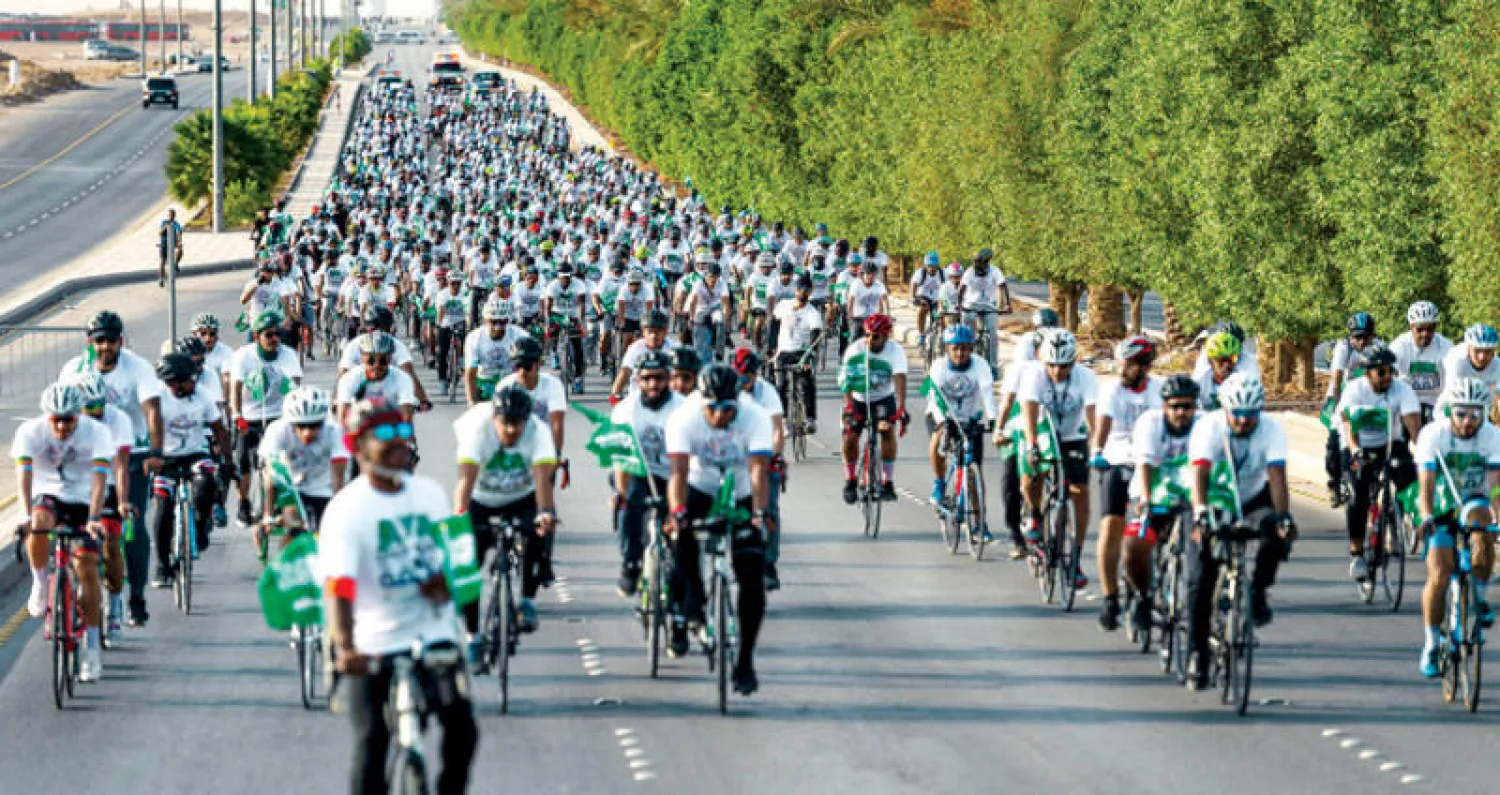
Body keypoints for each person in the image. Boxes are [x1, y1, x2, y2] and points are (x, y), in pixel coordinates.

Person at [320, 397, 478, 795]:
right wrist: (345, 648)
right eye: (385, 434)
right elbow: (339, 587)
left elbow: (450, 560)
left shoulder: (429, 494)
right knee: (372, 741)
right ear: (359, 447)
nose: (399, 442)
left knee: (463, 729)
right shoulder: (346, 510)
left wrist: (445, 583)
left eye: (403, 431)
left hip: (432, 634)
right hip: (371, 643)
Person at [664, 364, 774, 694]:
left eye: (728, 409)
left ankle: (745, 661)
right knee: (680, 533)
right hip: (700, 486)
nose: (720, 416)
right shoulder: (684, 417)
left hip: (739, 489)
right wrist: (679, 512)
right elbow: (678, 476)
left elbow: (758, 474)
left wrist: (758, 513)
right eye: (712, 408)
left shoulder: (755, 417)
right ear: (702, 402)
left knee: (752, 576)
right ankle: (694, 603)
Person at [1185, 373, 1297, 689]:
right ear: (1225, 410)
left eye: (1251, 416)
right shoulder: (1208, 427)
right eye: (1238, 415)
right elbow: (1200, 474)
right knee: (1200, 581)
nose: (1244, 422)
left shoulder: (1271, 429)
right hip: (1216, 495)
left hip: (1252, 496)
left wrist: (1283, 517)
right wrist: (1200, 513)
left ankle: (1258, 591)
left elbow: (1276, 476)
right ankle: (1198, 655)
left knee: (1275, 532)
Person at [61, 311, 164, 628]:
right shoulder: (74, 370)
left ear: (121, 341)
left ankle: (135, 598)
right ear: (89, 343)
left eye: (112, 341)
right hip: (87, 457)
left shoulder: (138, 368)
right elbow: (60, 414)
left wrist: (156, 452)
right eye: (99, 341)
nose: (105, 347)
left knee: (131, 526)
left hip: (131, 453)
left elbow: (152, 410)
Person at [14, 383, 113, 681]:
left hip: (85, 500)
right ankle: (40, 582)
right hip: (50, 495)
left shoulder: (97, 433)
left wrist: (95, 517)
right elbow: (24, 476)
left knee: (87, 570)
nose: (61, 425)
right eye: (55, 418)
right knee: (39, 519)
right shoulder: (30, 433)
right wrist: (24, 517)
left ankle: (93, 649)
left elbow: (98, 482)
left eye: (68, 419)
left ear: (79, 415)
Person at [453, 385, 560, 645]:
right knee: (467, 564)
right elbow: (465, 482)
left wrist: (545, 513)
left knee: (540, 531)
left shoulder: (539, 432)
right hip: (482, 498)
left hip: (522, 495)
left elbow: (542, 480)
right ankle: (472, 635)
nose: (511, 430)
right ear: (494, 419)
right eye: (505, 423)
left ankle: (527, 599)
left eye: (518, 423)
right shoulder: (477, 431)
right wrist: (459, 519)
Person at [1414, 378, 1500, 677]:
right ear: (1449, 411)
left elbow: (1495, 486)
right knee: (1439, 574)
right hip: (1440, 503)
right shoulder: (1433, 435)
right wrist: (1425, 514)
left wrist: (1497, 514)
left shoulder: (1491, 436)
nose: (1467, 422)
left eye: (1475, 414)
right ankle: (1431, 643)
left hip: (1474, 499)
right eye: (1461, 413)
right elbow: (1425, 483)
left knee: (1483, 526)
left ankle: (1480, 594)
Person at [1017, 329, 1097, 592]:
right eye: (1052, 365)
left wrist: (1097, 448)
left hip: (1073, 436)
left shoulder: (1086, 378)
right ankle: (1034, 515)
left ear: (1073, 362)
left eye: (1063, 366)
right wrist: (1031, 445)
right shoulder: (1034, 376)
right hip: (1042, 431)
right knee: (1031, 475)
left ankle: (1075, 557)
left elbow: (1092, 415)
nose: (1057, 372)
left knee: (1081, 492)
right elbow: (1029, 410)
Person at [1122, 376, 1202, 635]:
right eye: (1175, 406)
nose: (1181, 412)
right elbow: (1145, 466)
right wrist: (1146, 500)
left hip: (1189, 493)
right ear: (1165, 405)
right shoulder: (1150, 423)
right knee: (1135, 545)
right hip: (1153, 488)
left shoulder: (1205, 425)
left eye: (1187, 406)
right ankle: (1142, 596)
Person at [1091, 336, 1161, 631]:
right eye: (1123, 362)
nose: (1124, 369)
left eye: (1130, 363)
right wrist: (1097, 451)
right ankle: (1110, 596)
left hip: (1152, 462)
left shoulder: (1158, 391)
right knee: (1111, 527)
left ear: (1144, 366)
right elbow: (1103, 426)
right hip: (1119, 460)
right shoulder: (1112, 391)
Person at [1335, 342, 1421, 582]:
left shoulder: (1401, 389)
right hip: (1358, 443)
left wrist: (1422, 448)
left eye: (1390, 370)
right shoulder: (1355, 390)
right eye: (1380, 372)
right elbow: (1348, 424)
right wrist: (1355, 451)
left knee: (1409, 477)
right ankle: (1357, 553)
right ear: (1368, 373)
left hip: (1389, 444)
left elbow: (1413, 423)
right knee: (1357, 496)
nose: (1387, 376)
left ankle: (1403, 524)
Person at [145, 354, 228, 588]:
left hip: (195, 454)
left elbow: (219, 429)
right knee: (163, 506)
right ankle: (162, 566)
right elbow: (146, 430)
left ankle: (201, 525)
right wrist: (151, 457)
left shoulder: (203, 396)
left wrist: (229, 462)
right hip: (165, 459)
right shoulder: (157, 399)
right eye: (172, 383)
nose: (185, 385)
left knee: (206, 482)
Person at [65, 370, 132, 643]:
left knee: (111, 545)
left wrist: (124, 501)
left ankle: (115, 605)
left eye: (99, 406)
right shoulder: (67, 421)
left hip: (109, 486)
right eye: (87, 408)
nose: (94, 413)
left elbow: (121, 466)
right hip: (78, 486)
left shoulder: (117, 420)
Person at [611, 352, 682, 596]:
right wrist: (622, 496)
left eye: (659, 378)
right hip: (637, 471)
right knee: (629, 506)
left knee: (685, 526)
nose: (653, 384)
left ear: (668, 378)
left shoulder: (682, 409)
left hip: (675, 475)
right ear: (638, 381)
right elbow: (621, 461)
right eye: (647, 378)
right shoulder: (625, 411)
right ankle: (630, 564)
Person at [228, 311, 304, 527]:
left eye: (278, 334)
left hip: (278, 416)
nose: (275, 340)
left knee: (287, 459)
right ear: (256, 336)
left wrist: (292, 399)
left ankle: (285, 497)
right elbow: (235, 387)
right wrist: (237, 415)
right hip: (250, 417)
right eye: (269, 335)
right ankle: (243, 502)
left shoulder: (287, 354)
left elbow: (295, 383)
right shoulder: (243, 356)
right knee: (242, 459)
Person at [993, 308, 1058, 558]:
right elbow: (1009, 399)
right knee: (1011, 472)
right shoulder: (1023, 358)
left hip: (1047, 418)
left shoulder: (1060, 356)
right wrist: (999, 429)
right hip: (1019, 414)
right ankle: (1015, 534)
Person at [925, 324, 996, 530]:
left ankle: (980, 523)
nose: (960, 353)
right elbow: (933, 396)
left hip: (970, 418)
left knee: (974, 472)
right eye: (955, 348)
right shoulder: (938, 367)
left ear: (972, 348)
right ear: (947, 349)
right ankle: (939, 484)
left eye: (965, 348)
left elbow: (987, 393)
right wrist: (942, 421)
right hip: (941, 414)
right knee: (938, 437)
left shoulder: (980, 365)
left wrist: (993, 419)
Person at [257, 386, 348, 542]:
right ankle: (286, 563)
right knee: (294, 525)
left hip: (322, 485)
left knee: (328, 533)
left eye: (314, 425)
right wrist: (268, 515)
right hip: (288, 484)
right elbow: (271, 476)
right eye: (301, 426)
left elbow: (338, 477)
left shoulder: (335, 431)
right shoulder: (278, 430)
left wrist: (338, 510)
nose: (308, 432)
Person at [730, 348, 787, 590]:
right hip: (732, 452)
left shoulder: (767, 392)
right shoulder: (726, 388)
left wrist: (774, 457)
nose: (743, 383)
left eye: (747, 378)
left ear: (755, 375)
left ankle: (769, 564)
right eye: (738, 377)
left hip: (761, 451)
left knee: (769, 508)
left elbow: (777, 429)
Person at [839, 314, 909, 504]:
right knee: (850, 437)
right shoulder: (855, 350)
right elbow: (846, 381)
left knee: (887, 431)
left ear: (886, 336)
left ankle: (888, 482)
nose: (870, 340)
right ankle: (851, 480)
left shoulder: (895, 351)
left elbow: (900, 377)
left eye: (876, 336)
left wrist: (902, 407)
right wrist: (848, 406)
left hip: (883, 399)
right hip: (858, 398)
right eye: (868, 335)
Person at [1325, 312, 1383, 505]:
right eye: (1357, 337)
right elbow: (1336, 379)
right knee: (1334, 443)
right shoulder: (1344, 349)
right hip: (1344, 397)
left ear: (1373, 336)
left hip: (1370, 399)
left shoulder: (1379, 348)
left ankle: (1374, 479)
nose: (1361, 341)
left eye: (1366, 337)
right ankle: (1334, 483)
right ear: (1350, 336)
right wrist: (1337, 407)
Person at [496, 337, 569, 470]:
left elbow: (557, 423)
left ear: (539, 364)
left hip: (542, 442)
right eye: (518, 366)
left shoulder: (553, 385)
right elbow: (498, 424)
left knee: (544, 486)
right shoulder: (505, 386)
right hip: (515, 441)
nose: (522, 371)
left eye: (527, 366)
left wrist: (557, 453)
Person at [771, 274, 822, 436]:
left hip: (802, 353)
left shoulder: (813, 313)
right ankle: (784, 420)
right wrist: (770, 349)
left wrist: (809, 357)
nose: (802, 293)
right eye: (800, 289)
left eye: (806, 290)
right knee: (780, 386)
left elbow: (815, 337)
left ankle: (810, 418)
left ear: (811, 291)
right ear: (795, 290)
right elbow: (773, 326)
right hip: (783, 352)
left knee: (807, 383)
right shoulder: (783, 305)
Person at [334, 332, 420, 428]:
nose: (376, 365)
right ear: (362, 358)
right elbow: (341, 418)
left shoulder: (403, 378)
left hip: (390, 425)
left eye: (383, 360)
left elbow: (406, 415)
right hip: (359, 425)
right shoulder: (349, 378)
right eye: (371, 360)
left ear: (390, 358)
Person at [1389, 300, 1451, 423]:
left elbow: (1454, 378)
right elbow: (1390, 373)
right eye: (1420, 329)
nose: (1425, 334)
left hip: (1437, 402)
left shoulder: (1446, 346)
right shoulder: (1399, 345)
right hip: (1406, 401)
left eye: (1430, 328)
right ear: (1411, 326)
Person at [464, 294, 529, 406]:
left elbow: (532, 366)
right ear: (485, 321)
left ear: (508, 320)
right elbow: (470, 373)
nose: (498, 327)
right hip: (485, 383)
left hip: (511, 382)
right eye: (493, 322)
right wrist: (472, 402)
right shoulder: (474, 338)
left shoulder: (520, 335)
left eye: (502, 322)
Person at [610, 309, 677, 401]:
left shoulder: (675, 348)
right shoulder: (635, 349)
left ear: (665, 332)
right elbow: (625, 372)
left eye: (658, 332)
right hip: (639, 401)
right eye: (650, 331)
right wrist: (615, 394)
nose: (653, 335)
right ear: (643, 332)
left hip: (667, 401)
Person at [959, 249, 1006, 372]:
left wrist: (1001, 306)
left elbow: (1001, 288)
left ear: (987, 263)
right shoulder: (969, 272)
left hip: (989, 305)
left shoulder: (995, 271)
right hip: (971, 305)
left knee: (992, 333)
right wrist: (960, 306)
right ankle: (966, 360)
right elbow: (961, 290)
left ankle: (993, 367)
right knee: (967, 333)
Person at [1440, 323, 1500, 410]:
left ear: (1494, 350)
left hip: (1485, 397)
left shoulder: (1497, 364)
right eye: (1477, 351)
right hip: (1456, 397)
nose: (1482, 357)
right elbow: (1450, 396)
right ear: (1468, 348)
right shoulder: (1456, 362)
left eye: (1487, 351)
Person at [431, 270, 470, 394]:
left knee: (465, 345)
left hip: (460, 322)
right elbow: (440, 311)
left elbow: (468, 311)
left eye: (458, 283)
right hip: (445, 324)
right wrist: (438, 326)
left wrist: (468, 326)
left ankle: (460, 363)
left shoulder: (465, 294)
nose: (456, 286)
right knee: (442, 352)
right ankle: (442, 379)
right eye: (453, 283)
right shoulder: (443, 294)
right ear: (448, 283)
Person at [845, 261, 889, 342]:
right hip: (858, 317)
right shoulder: (856, 284)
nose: (871, 276)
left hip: (873, 318)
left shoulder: (879, 285)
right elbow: (851, 299)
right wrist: (850, 314)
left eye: (873, 274)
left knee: (879, 339)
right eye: (868, 273)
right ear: (862, 274)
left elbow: (885, 300)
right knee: (854, 337)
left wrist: (887, 315)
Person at [910, 253, 943, 346]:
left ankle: (942, 336)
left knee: (942, 315)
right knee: (922, 309)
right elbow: (914, 285)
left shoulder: (943, 273)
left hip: (938, 298)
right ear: (925, 265)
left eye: (934, 266)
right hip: (923, 296)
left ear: (938, 265)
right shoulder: (920, 273)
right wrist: (913, 298)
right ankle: (921, 334)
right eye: (929, 266)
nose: (932, 268)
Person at [158, 208, 183, 288]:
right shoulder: (164, 223)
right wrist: (166, 227)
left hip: (173, 243)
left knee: (180, 250)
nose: (171, 216)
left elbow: (179, 232)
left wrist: (179, 241)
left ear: (174, 216)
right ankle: (161, 279)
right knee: (162, 261)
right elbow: (160, 233)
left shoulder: (176, 224)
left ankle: (175, 264)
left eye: (172, 215)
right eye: (169, 215)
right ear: (168, 216)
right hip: (165, 243)